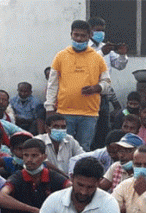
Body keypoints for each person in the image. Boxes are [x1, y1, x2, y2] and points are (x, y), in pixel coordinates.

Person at [45, 20, 111, 151]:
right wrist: (49, 108)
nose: (79, 39)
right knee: (62, 148)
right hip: (64, 112)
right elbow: (52, 84)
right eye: (76, 35)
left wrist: (96, 88)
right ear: (71, 35)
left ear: (89, 36)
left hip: (89, 114)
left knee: (83, 148)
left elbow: (107, 83)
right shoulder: (60, 56)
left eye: (83, 36)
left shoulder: (97, 58)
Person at [0, 138, 70, 213]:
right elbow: (2, 197)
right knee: (9, 208)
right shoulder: (18, 176)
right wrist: (33, 210)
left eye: (34, 156)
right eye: (26, 155)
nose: (29, 160)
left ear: (44, 157)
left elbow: (71, 188)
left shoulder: (52, 176)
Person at [88, 16, 129, 151]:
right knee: (88, 129)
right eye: (97, 30)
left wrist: (122, 54)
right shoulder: (86, 48)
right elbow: (87, 64)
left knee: (102, 129)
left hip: (103, 96)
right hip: (88, 95)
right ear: (90, 31)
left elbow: (119, 65)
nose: (101, 33)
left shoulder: (106, 48)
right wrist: (101, 53)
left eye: (102, 30)